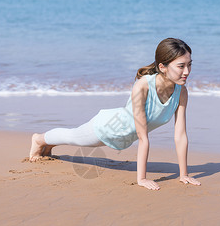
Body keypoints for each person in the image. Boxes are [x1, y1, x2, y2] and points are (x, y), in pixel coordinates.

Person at [29, 38, 201, 190]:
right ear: (162, 67)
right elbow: (143, 137)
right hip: (108, 128)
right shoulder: (143, 86)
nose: (187, 71)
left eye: (189, 64)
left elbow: (180, 135)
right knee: (73, 136)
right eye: (181, 66)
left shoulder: (181, 92)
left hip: (124, 137)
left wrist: (183, 174)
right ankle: (39, 139)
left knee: (71, 137)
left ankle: (49, 145)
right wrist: (141, 179)